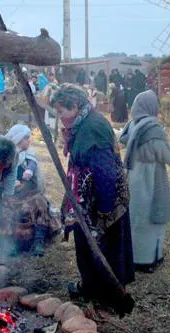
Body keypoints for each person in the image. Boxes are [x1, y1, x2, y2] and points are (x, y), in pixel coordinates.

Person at [50, 85, 135, 306]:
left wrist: (105, 210)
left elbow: (105, 170)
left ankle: (108, 294)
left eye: (61, 112)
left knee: (104, 245)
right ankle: (90, 286)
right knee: (86, 244)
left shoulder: (93, 128)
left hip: (102, 199)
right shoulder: (81, 124)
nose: (59, 118)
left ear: (75, 106)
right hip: (86, 199)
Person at [119, 90, 170, 272]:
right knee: (151, 218)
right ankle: (147, 261)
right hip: (151, 178)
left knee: (136, 218)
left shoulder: (132, 126)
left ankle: (135, 257)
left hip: (132, 175)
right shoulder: (153, 129)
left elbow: (122, 139)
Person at [0, 125, 62, 257]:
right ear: (18, 139)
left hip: (29, 195)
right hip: (12, 195)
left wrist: (28, 174)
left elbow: (33, 175)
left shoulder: (29, 155)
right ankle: (11, 242)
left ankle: (38, 241)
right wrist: (10, 183)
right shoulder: (7, 155)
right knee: (3, 207)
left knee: (41, 203)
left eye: (29, 138)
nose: (29, 141)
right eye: (26, 138)